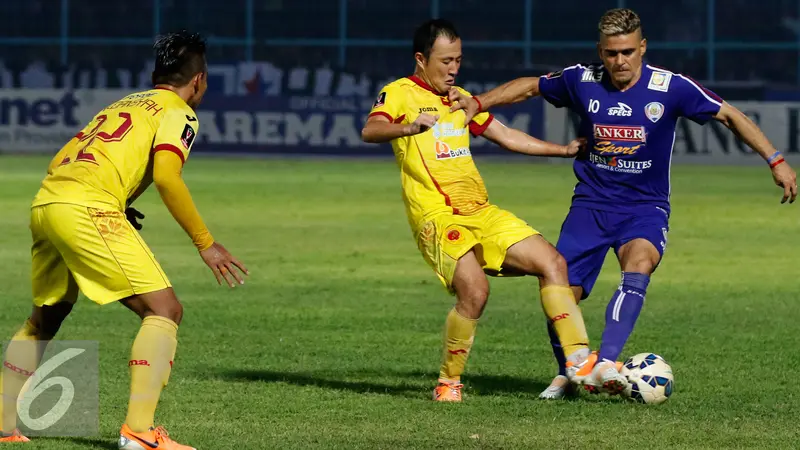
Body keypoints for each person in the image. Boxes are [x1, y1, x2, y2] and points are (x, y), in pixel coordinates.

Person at [449, 7, 797, 399]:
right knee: (561, 288)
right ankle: (569, 372)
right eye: (612, 53)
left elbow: (730, 115)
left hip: (645, 208)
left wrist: (776, 161)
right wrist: (478, 103)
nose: (620, 61)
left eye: (628, 52)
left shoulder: (671, 87)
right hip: (591, 206)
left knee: (640, 263)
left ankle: (607, 364)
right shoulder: (582, 80)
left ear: (642, 47)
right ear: (601, 51)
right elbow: (531, 86)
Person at [0, 31, 248, 448]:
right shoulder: (180, 111)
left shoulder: (123, 103)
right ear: (200, 81)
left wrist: (117, 198)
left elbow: (62, 158)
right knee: (164, 309)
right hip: (85, 207)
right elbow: (168, 177)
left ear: (156, 75)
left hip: (48, 202)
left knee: (48, 314)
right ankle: (140, 433)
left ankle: (3, 422)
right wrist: (205, 242)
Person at [361, 18, 598, 402]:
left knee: (553, 263)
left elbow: (505, 135)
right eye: (445, 61)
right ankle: (448, 382)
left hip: (481, 211)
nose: (454, 69)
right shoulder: (399, 94)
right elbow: (370, 130)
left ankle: (578, 361)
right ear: (421, 59)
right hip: (437, 217)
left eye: (458, 60)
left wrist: (563, 150)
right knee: (475, 292)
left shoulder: (461, 99)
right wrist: (409, 128)